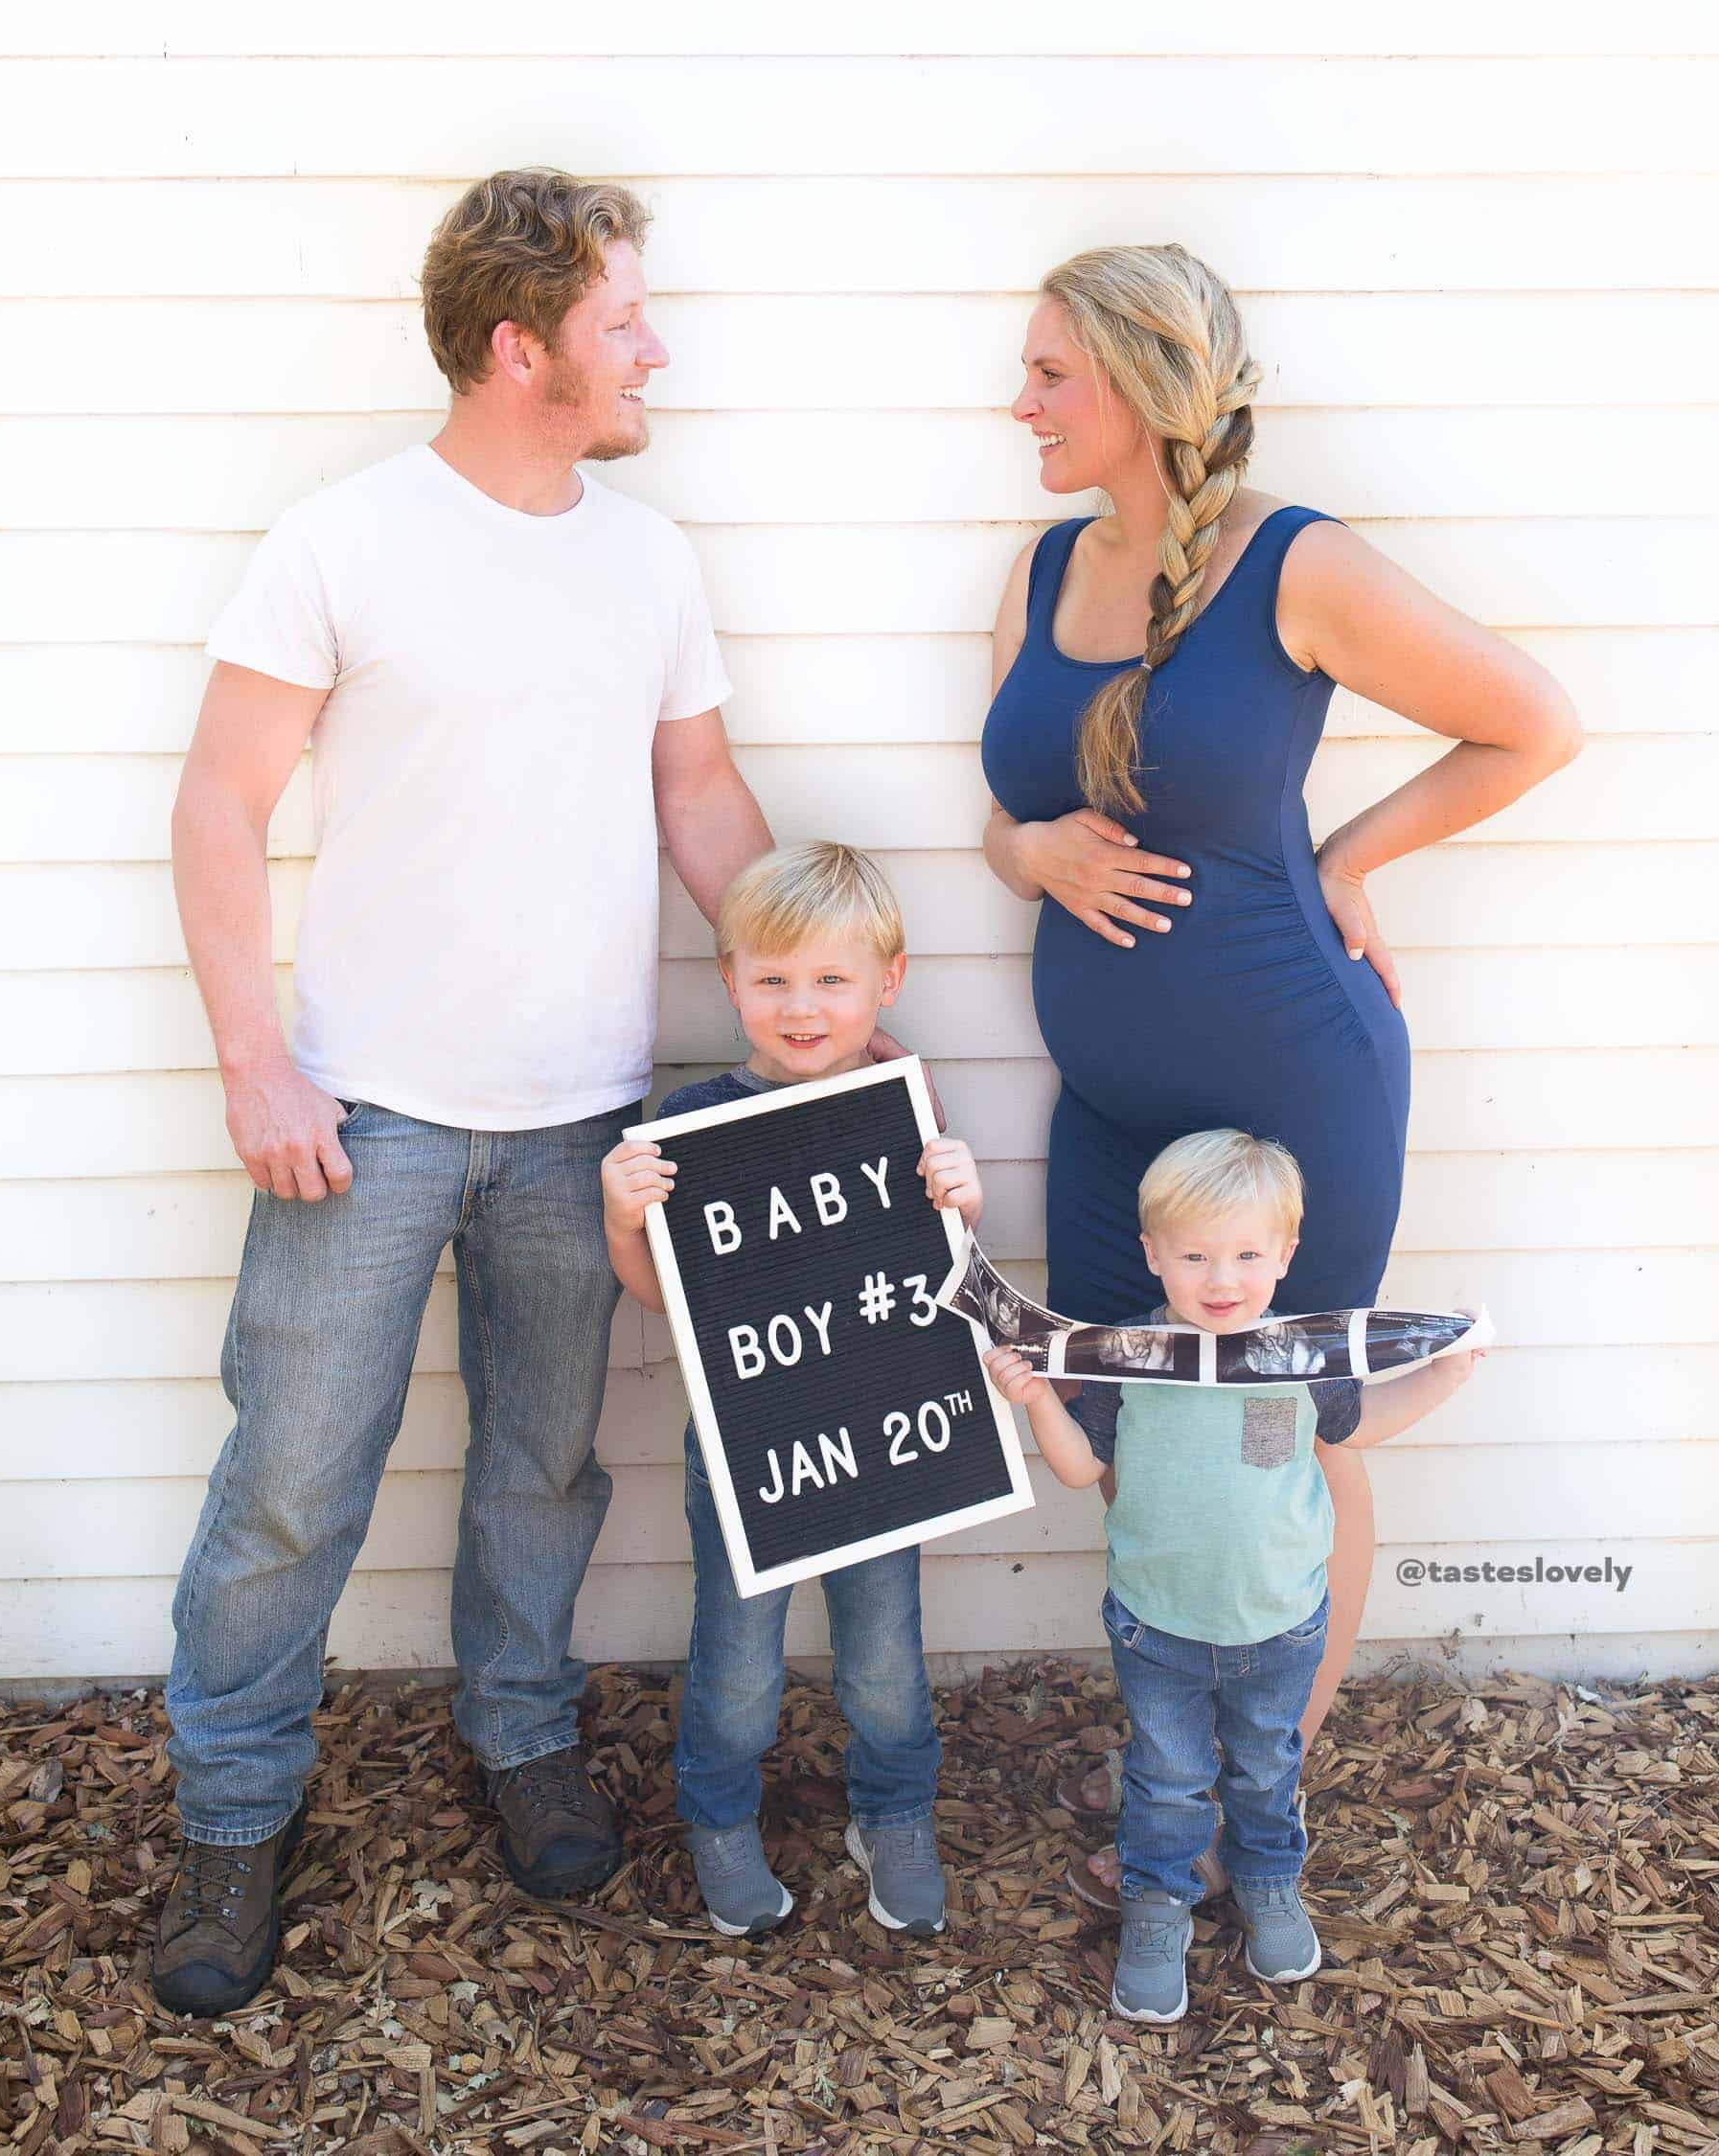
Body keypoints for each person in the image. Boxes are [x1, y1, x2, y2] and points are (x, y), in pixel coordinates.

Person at [152, 168, 778, 2016]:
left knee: (542, 1469)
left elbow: (701, 804)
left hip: (585, 1121)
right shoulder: (341, 542)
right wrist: (255, 1059)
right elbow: (215, 804)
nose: (653, 344)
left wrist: (829, 995)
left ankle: (519, 1735)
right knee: (290, 1485)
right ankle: (235, 1813)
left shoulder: (649, 558)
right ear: (524, 348)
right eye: (622, 319)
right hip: (358, 1116)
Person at [978, 242, 1580, 1899]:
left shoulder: (1291, 563)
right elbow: (1004, 815)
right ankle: (1175, 1777)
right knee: (1136, 1419)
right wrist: (1030, 857)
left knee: (1289, 1436)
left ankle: (1263, 1806)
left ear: (1148, 388)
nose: (1014, 400)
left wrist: (1352, 860)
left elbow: (1531, 721)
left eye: (1048, 373)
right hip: (1109, 1119)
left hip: (1293, 1099)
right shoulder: (1039, 571)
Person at [984, 1130, 1482, 2023]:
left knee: (1264, 1770)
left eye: (1249, 1254)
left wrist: (1444, 1380)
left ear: (1286, 1256)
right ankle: (1157, 1904)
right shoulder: (1126, 1356)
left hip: (1282, 1619)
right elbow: (1075, 1467)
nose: (1224, 1279)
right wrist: (1032, 1405)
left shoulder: (1301, 1354)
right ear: (1154, 1255)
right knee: (1166, 1778)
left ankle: (1268, 1884)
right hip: (1158, 1625)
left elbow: (1356, 1428)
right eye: (1196, 1256)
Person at [602, 843, 983, 1940]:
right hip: (750, 1440)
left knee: (882, 1657)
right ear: (729, 984)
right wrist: (626, 1218)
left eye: (830, 981)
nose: (802, 1007)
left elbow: (936, 1277)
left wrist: (963, 1201)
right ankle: (719, 1817)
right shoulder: (696, 1126)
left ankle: (897, 1809)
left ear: (887, 984)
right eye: (772, 981)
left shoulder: (898, 1109)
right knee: (737, 1657)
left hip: (883, 1434)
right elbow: (662, 1295)